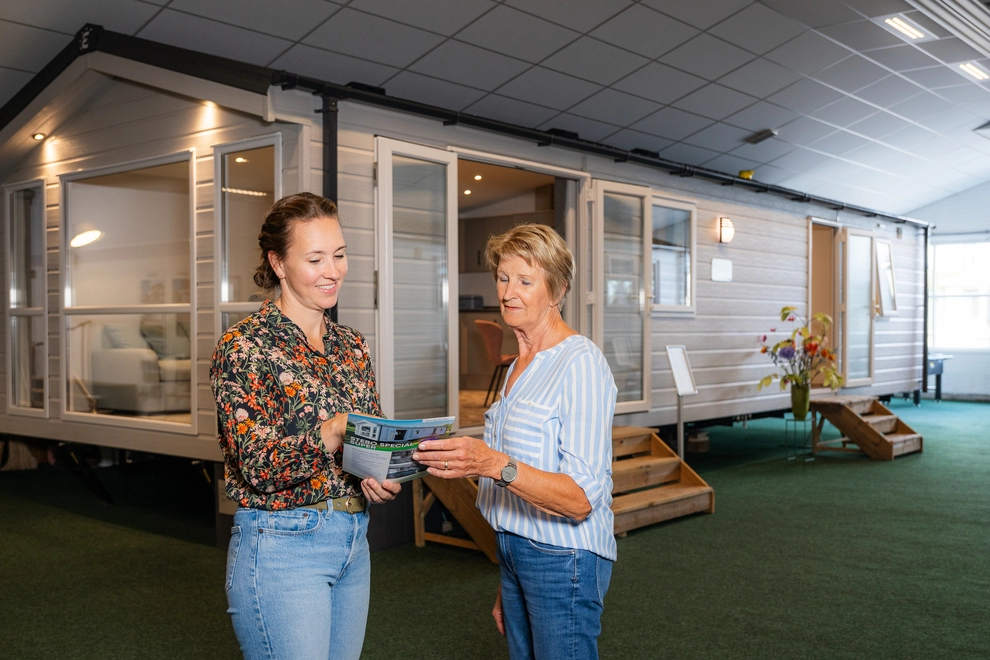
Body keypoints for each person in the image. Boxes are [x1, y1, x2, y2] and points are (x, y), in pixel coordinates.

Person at [414, 224, 617, 660]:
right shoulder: (519, 363)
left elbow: (581, 499)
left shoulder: (580, 363)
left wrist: (492, 464)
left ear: (557, 289)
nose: (508, 292)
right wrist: (509, 579)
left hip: (564, 557)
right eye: (503, 278)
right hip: (515, 549)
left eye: (526, 281)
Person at [210, 192, 400, 660]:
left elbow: (365, 439)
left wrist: (381, 473)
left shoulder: (351, 345)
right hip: (282, 545)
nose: (332, 270)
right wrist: (330, 432)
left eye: (339, 254)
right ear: (278, 263)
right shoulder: (244, 347)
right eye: (315, 258)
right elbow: (256, 467)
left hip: (354, 538)